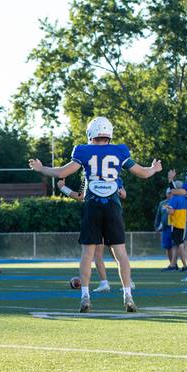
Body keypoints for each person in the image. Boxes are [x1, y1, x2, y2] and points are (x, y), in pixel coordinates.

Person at [30, 116, 162, 313]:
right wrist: (154, 169)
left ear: (90, 133)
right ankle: (128, 295)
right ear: (109, 133)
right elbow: (142, 173)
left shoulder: (83, 150)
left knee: (88, 253)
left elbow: (62, 172)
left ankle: (85, 296)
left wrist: (42, 169)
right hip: (112, 206)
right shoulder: (119, 150)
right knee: (120, 253)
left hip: (92, 205)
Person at [56, 177, 129, 293]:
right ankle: (127, 283)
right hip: (113, 215)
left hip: (96, 215)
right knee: (118, 253)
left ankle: (104, 283)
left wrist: (62, 188)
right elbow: (123, 194)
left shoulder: (88, 176)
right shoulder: (114, 173)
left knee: (96, 253)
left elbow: (80, 196)